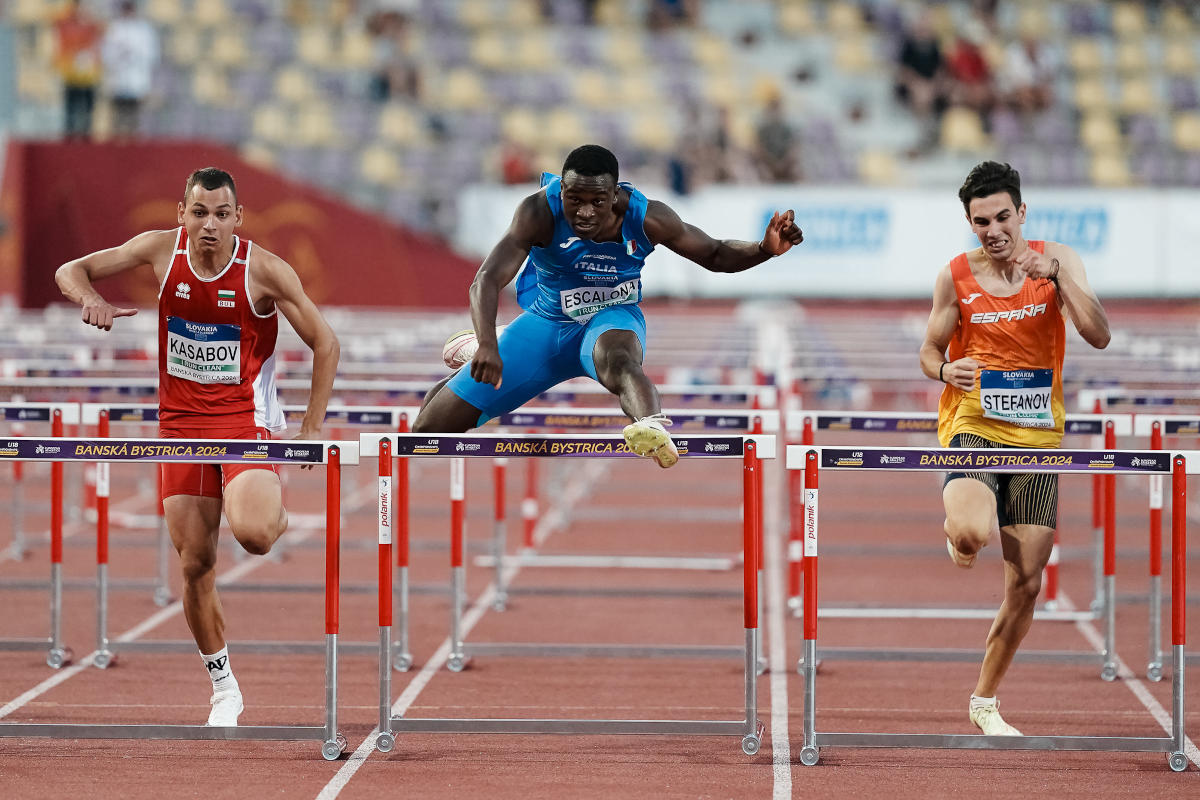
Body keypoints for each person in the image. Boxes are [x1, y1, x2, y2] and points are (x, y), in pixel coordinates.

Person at [54, 168, 340, 726]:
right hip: (179, 429)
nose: (208, 224)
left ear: (239, 218)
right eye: (198, 213)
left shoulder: (263, 271)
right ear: (181, 215)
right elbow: (72, 269)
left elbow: (326, 343)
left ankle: (276, 513)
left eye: (220, 214)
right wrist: (90, 299)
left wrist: (309, 430)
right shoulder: (161, 253)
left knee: (254, 535)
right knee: (195, 565)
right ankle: (224, 687)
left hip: (245, 424)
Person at [416, 144, 803, 466]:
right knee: (426, 433)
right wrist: (487, 344)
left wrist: (763, 250)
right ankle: (495, 341)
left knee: (618, 362)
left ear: (615, 194)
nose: (584, 212)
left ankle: (649, 424)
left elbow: (716, 254)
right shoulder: (538, 212)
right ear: (561, 191)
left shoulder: (648, 217)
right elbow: (486, 279)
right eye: (574, 200)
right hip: (547, 324)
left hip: (611, 318)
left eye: (596, 201)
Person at [919, 161, 1110, 736]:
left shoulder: (1060, 261)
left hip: (1037, 438)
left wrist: (1055, 276)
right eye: (981, 221)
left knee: (1027, 583)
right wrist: (948, 368)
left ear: (1021, 212)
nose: (994, 229)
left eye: (1003, 216)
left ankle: (984, 700)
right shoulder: (956, 275)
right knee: (974, 533)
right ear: (970, 223)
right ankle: (960, 531)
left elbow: (1099, 334)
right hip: (974, 423)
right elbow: (928, 351)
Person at [100, 0, 159, 138]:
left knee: (134, 111)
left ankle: (132, 137)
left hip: (136, 76)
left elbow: (151, 53)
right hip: (118, 76)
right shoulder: (115, 28)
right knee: (118, 111)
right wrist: (118, 56)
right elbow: (106, 52)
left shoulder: (143, 30)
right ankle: (118, 138)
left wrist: (134, 55)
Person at [53, 0, 103, 139]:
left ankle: (86, 134)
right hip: (70, 72)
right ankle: (70, 134)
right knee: (71, 105)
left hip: (89, 74)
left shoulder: (92, 24)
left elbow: (103, 34)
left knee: (88, 106)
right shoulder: (66, 23)